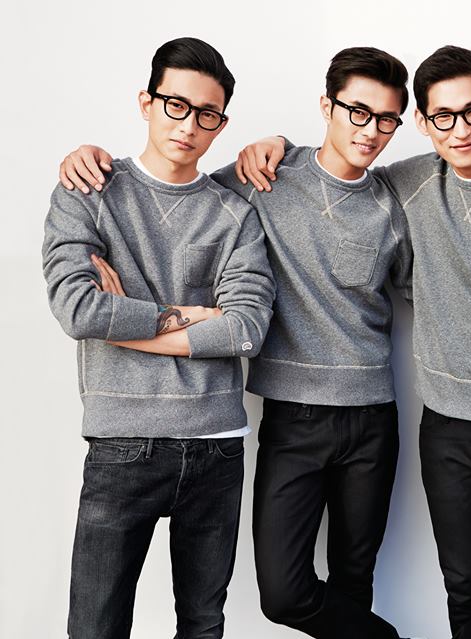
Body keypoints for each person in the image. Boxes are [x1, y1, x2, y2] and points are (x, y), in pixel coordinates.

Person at [224, 45, 471, 639]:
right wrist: (270, 142)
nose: (460, 130)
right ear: (424, 123)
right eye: (442, 117)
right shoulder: (389, 182)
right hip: (433, 426)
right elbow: (211, 188)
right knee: (457, 592)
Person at [56, 47, 415, 639]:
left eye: (386, 119)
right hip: (282, 416)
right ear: (326, 106)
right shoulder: (257, 181)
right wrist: (85, 155)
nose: (370, 130)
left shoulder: (386, 203)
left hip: (365, 413)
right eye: (357, 111)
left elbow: (245, 327)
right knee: (279, 594)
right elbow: (84, 303)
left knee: (351, 581)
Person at [42, 37, 275, 639]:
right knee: (95, 627)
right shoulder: (88, 190)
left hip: (217, 445)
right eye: (176, 104)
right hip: (123, 443)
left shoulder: (235, 214)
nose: (189, 125)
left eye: (207, 114)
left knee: (203, 625)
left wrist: (126, 319)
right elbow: (79, 310)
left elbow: (246, 328)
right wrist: (195, 314)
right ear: (146, 102)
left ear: (221, 125)